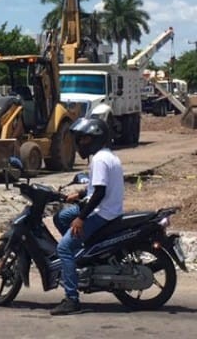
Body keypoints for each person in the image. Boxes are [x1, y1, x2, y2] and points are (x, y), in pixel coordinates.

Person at [50, 117, 124, 316]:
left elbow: (99, 193)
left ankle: (71, 300)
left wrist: (81, 218)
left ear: (95, 139)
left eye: (83, 140)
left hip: (102, 213)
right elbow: (97, 188)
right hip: (110, 209)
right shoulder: (108, 156)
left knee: (64, 248)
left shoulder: (99, 160)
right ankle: (81, 255)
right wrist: (80, 194)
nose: (79, 144)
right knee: (61, 217)